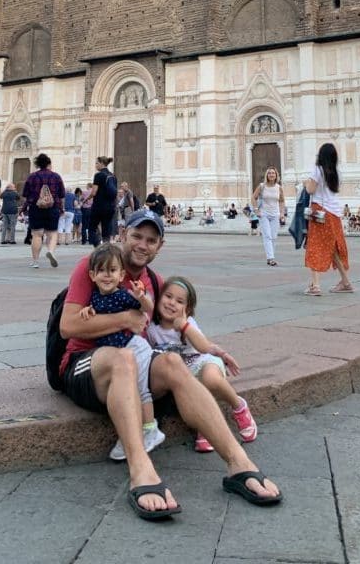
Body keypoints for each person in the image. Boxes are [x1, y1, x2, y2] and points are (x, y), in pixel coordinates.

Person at [58, 209, 281, 520]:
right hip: (86, 364)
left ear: (159, 246)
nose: (142, 245)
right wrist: (125, 318)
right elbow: (67, 327)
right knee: (124, 358)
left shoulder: (153, 281)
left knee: (173, 362)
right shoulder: (94, 265)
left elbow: (175, 327)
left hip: (133, 369)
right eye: (137, 236)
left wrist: (209, 351)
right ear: (124, 234)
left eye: (151, 240)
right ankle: (141, 468)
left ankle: (238, 462)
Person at [146, 275, 257, 454]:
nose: (172, 303)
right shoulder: (152, 329)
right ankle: (206, 427)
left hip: (204, 361)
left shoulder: (188, 323)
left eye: (179, 301)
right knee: (191, 395)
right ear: (158, 299)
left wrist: (184, 326)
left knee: (211, 379)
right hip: (184, 372)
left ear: (187, 309)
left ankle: (239, 406)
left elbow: (203, 347)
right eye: (168, 296)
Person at [79, 243, 164, 459]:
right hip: (115, 351)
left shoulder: (123, 294)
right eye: (101, 271)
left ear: (121, 275)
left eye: (112, 271)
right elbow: (94, 311)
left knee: (141, 389)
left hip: (134, 347)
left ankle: (149, 429)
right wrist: (87, 310)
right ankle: (130, 435)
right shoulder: (95, 297)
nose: (107, 276)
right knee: (128, 389)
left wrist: (141, 296)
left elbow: (148, 308)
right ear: (92, 275)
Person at [303, 143, 353, 296]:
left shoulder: (318, 170)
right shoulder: (338, 172)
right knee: (332, 249)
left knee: (315, 245)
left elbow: (311, 190)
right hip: (335, 214)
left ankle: (315, 286)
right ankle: (345, 282)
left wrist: (306, 184)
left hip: (320, 212)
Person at [22, 153, 65, 268]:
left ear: (37, 164)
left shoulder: (32, 177)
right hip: (53, 207)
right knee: (52, 233)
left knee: (37, 234)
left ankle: (35, 261)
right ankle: (50, 251)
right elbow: (61, 194)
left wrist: (25, 207)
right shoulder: (56, 176)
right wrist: (61, 208)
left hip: (36, 208)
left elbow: (25, 194)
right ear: (49, 164)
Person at [252, 168, 284, 267]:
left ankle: (271, 256)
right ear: (267, 175)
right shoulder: (262, 186)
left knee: (274, 236)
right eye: (269, 173)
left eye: (273, 173)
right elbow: (253, 197)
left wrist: (282, 213)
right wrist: (256, 210)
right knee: (267, 236)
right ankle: (271, 258)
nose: (271, 175)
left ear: (276, 175)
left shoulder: (279, 187)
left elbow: (282, 201)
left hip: (275, 214)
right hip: (264, 214)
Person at [88, 156, 117, 246]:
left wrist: (86, 199)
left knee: (92, 227)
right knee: (106, 228)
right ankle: (106, 247)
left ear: (101, 163)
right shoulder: (113, 176)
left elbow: (93, 192)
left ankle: (97, 245)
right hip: (110, 206)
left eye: (96, 163)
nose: (95, 165)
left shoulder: (98, 175)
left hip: (99, 206)